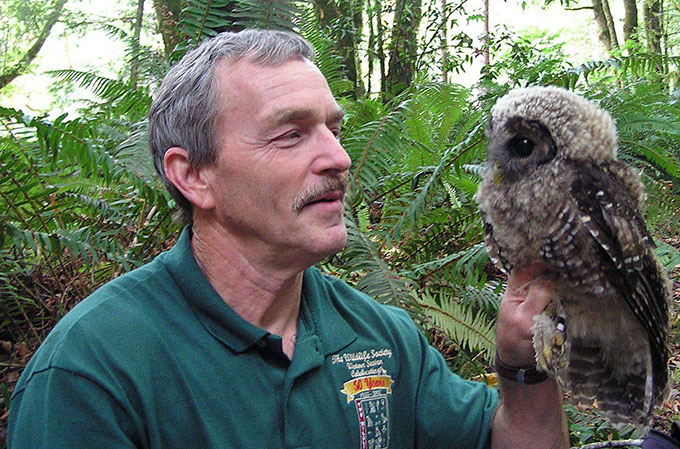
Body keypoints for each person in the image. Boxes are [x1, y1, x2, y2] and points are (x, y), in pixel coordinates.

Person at [7, 29, 568, 448]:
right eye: (291, 134)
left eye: (333, 128)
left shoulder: (377, 337)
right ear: (193, 176)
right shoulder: (96, 370)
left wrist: (526, 367)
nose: (339, 158)